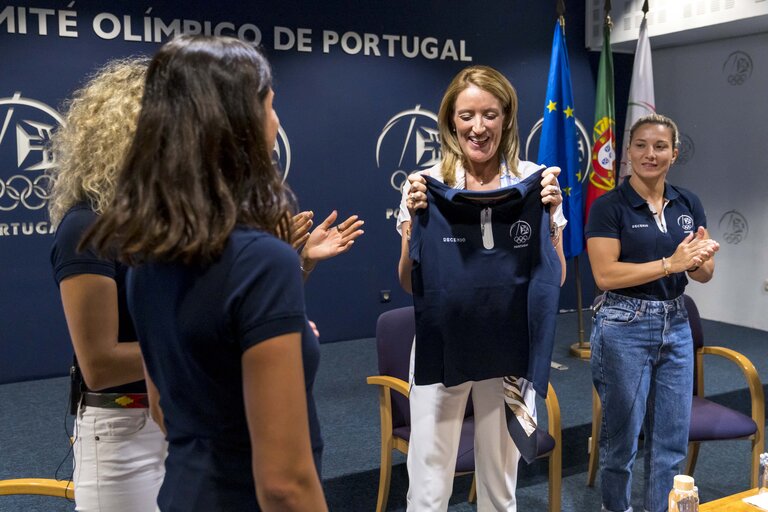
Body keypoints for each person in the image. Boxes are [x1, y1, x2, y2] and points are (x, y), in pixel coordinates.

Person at [84, 35, 327, 512]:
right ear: (238, 122)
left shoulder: (145, 259)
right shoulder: (262, 261)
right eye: (271, 106)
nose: (276, 122)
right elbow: (284, 485)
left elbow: (163, 413)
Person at [397, 65, 567, 511]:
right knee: (430, 484)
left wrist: (549, 218)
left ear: (507, 118)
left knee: (499, 481)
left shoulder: (536, 178)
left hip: (507, 347)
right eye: (467, 115)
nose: (478, 127)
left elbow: (556, 276)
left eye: (490, 115)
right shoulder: (425, 182)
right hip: (442, 344)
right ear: (451, 119)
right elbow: (407, 281)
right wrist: (414, 224)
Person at [48, 58, 167, 512]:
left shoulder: (164, 226)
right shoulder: (86, 229)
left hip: (178, 419)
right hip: (123, 433)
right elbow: (99, 364)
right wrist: (196, 343)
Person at [585, 113, 719, 512]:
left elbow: (705, 272)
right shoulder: (609, 206)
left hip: (676, 324)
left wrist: (695, 261)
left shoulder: (687, 202)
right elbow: (606, 274)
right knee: (620, 442)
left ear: (673, 154)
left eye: (660, 146)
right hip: (622, 325)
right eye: (641, 145)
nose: (650, 153)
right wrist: (670, 264)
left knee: (671, 441)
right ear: (628, 153)